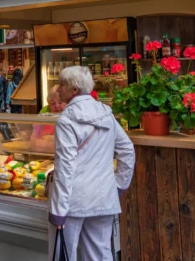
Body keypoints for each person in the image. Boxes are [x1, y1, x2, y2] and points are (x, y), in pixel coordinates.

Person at [48, 66, 135, 261]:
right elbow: (127, 150)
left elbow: (65, 167)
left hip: (74, 200)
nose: (58, 89)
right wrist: (118, 185)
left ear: (74, 89)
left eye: (62, 85)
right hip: (104, 196)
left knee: (64, 255)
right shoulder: (106, 113)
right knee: (100, 255)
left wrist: (58, 210)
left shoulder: (66, 120)